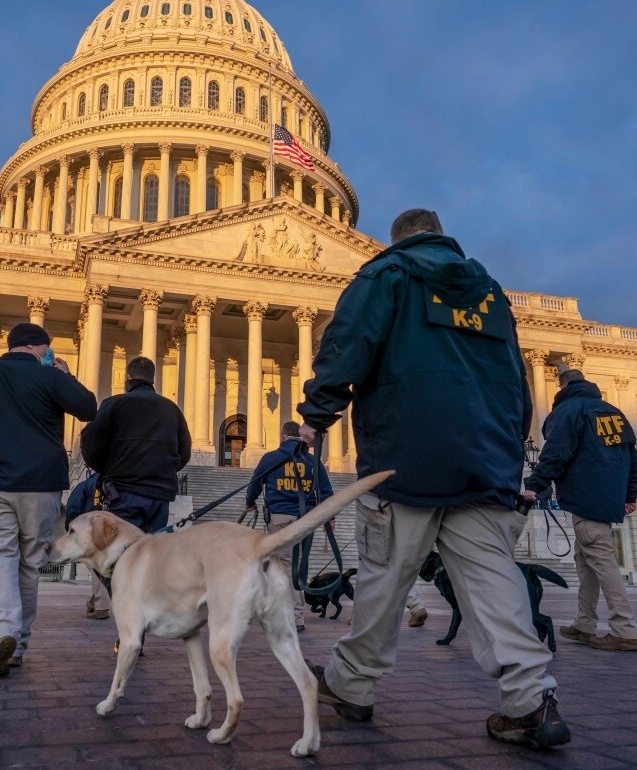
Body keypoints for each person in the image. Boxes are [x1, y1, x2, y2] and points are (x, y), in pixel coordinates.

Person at [297, 209, 569, 748]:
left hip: (408, 454)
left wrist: (316, 417)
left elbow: (347, 346)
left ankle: (352, 684)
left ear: (396, 240)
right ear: (441, 236)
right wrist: (510, 448)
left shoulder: (384, 276)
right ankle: (532, 699)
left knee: (384, 575)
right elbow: (518, 380)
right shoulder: (489, 292)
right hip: (485, 460)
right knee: (495, 581)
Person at [0, 322, 97, 677]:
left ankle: (1, 632)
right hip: (42, 483)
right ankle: (17, 645)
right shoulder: (48, 375)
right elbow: (88, 407)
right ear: (39, 348)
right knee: (28, 564)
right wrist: (63, 374)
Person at [523, 369, 637, 651]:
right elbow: (632, 457)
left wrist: (536, 484)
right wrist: (630, 494)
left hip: (586, 494)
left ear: (562, 386)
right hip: (608, 496)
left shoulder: (567, 411)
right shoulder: (612, 412)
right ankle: (584, 623)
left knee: (601, 559)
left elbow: (556, 452)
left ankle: (624, 629)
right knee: (585, 559)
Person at [80, 356, 191, 534]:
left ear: (128, 378)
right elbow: (184, 452)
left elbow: (89, 444)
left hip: (124, 490)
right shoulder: (172, 409)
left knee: (121, 550)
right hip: (159, 495)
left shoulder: (113, 404)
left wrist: (108, 469)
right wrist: (161, 471)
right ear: (152, 379)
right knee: (152, 552)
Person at [244, 421, 333, 631]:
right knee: (295, 564)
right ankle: (287, 608)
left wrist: (250, 502)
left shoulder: (271, 458)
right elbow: (326, 491)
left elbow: (254, 484)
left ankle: (295, 617)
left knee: (284, 566)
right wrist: (331, 517)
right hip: (306, 519)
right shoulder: (312, 461)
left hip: (281, 518)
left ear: (282, 437)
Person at [65, 470, 110, 620]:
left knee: (96, 567)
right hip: (113, 529)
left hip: (90, 530)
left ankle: (101, 606)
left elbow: (72, 509)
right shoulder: (117, 484)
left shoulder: (85, 485)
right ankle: (94, 601)